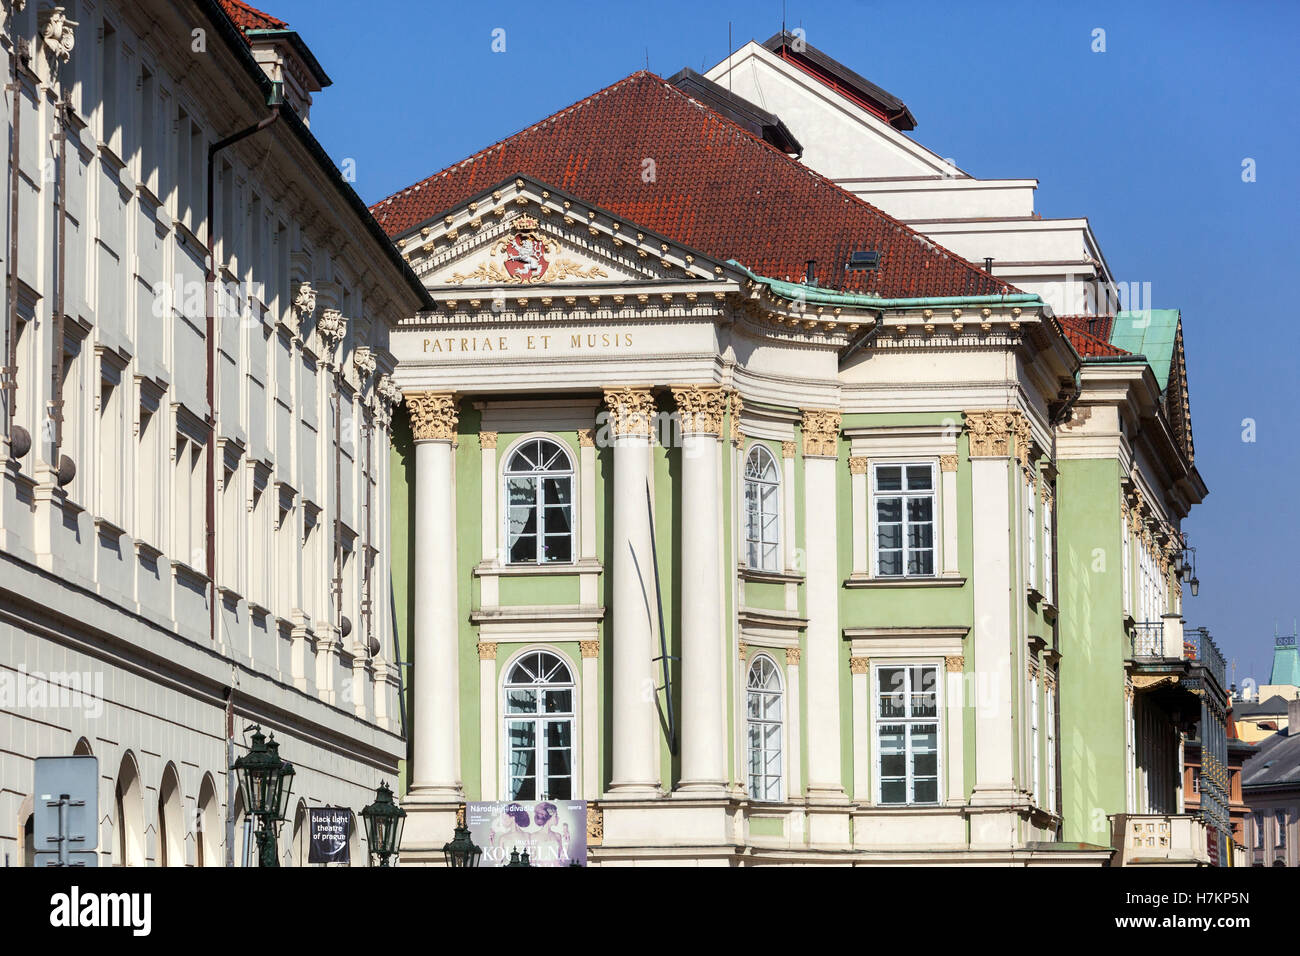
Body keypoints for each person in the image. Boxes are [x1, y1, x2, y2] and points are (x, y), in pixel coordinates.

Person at [531, 802, 569, 866]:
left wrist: (567, 842)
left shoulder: (558, 836)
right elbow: (532, 861)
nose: (558, 818)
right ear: (549, 817)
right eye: (556, 816)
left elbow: (562, 859)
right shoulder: (533, 836)